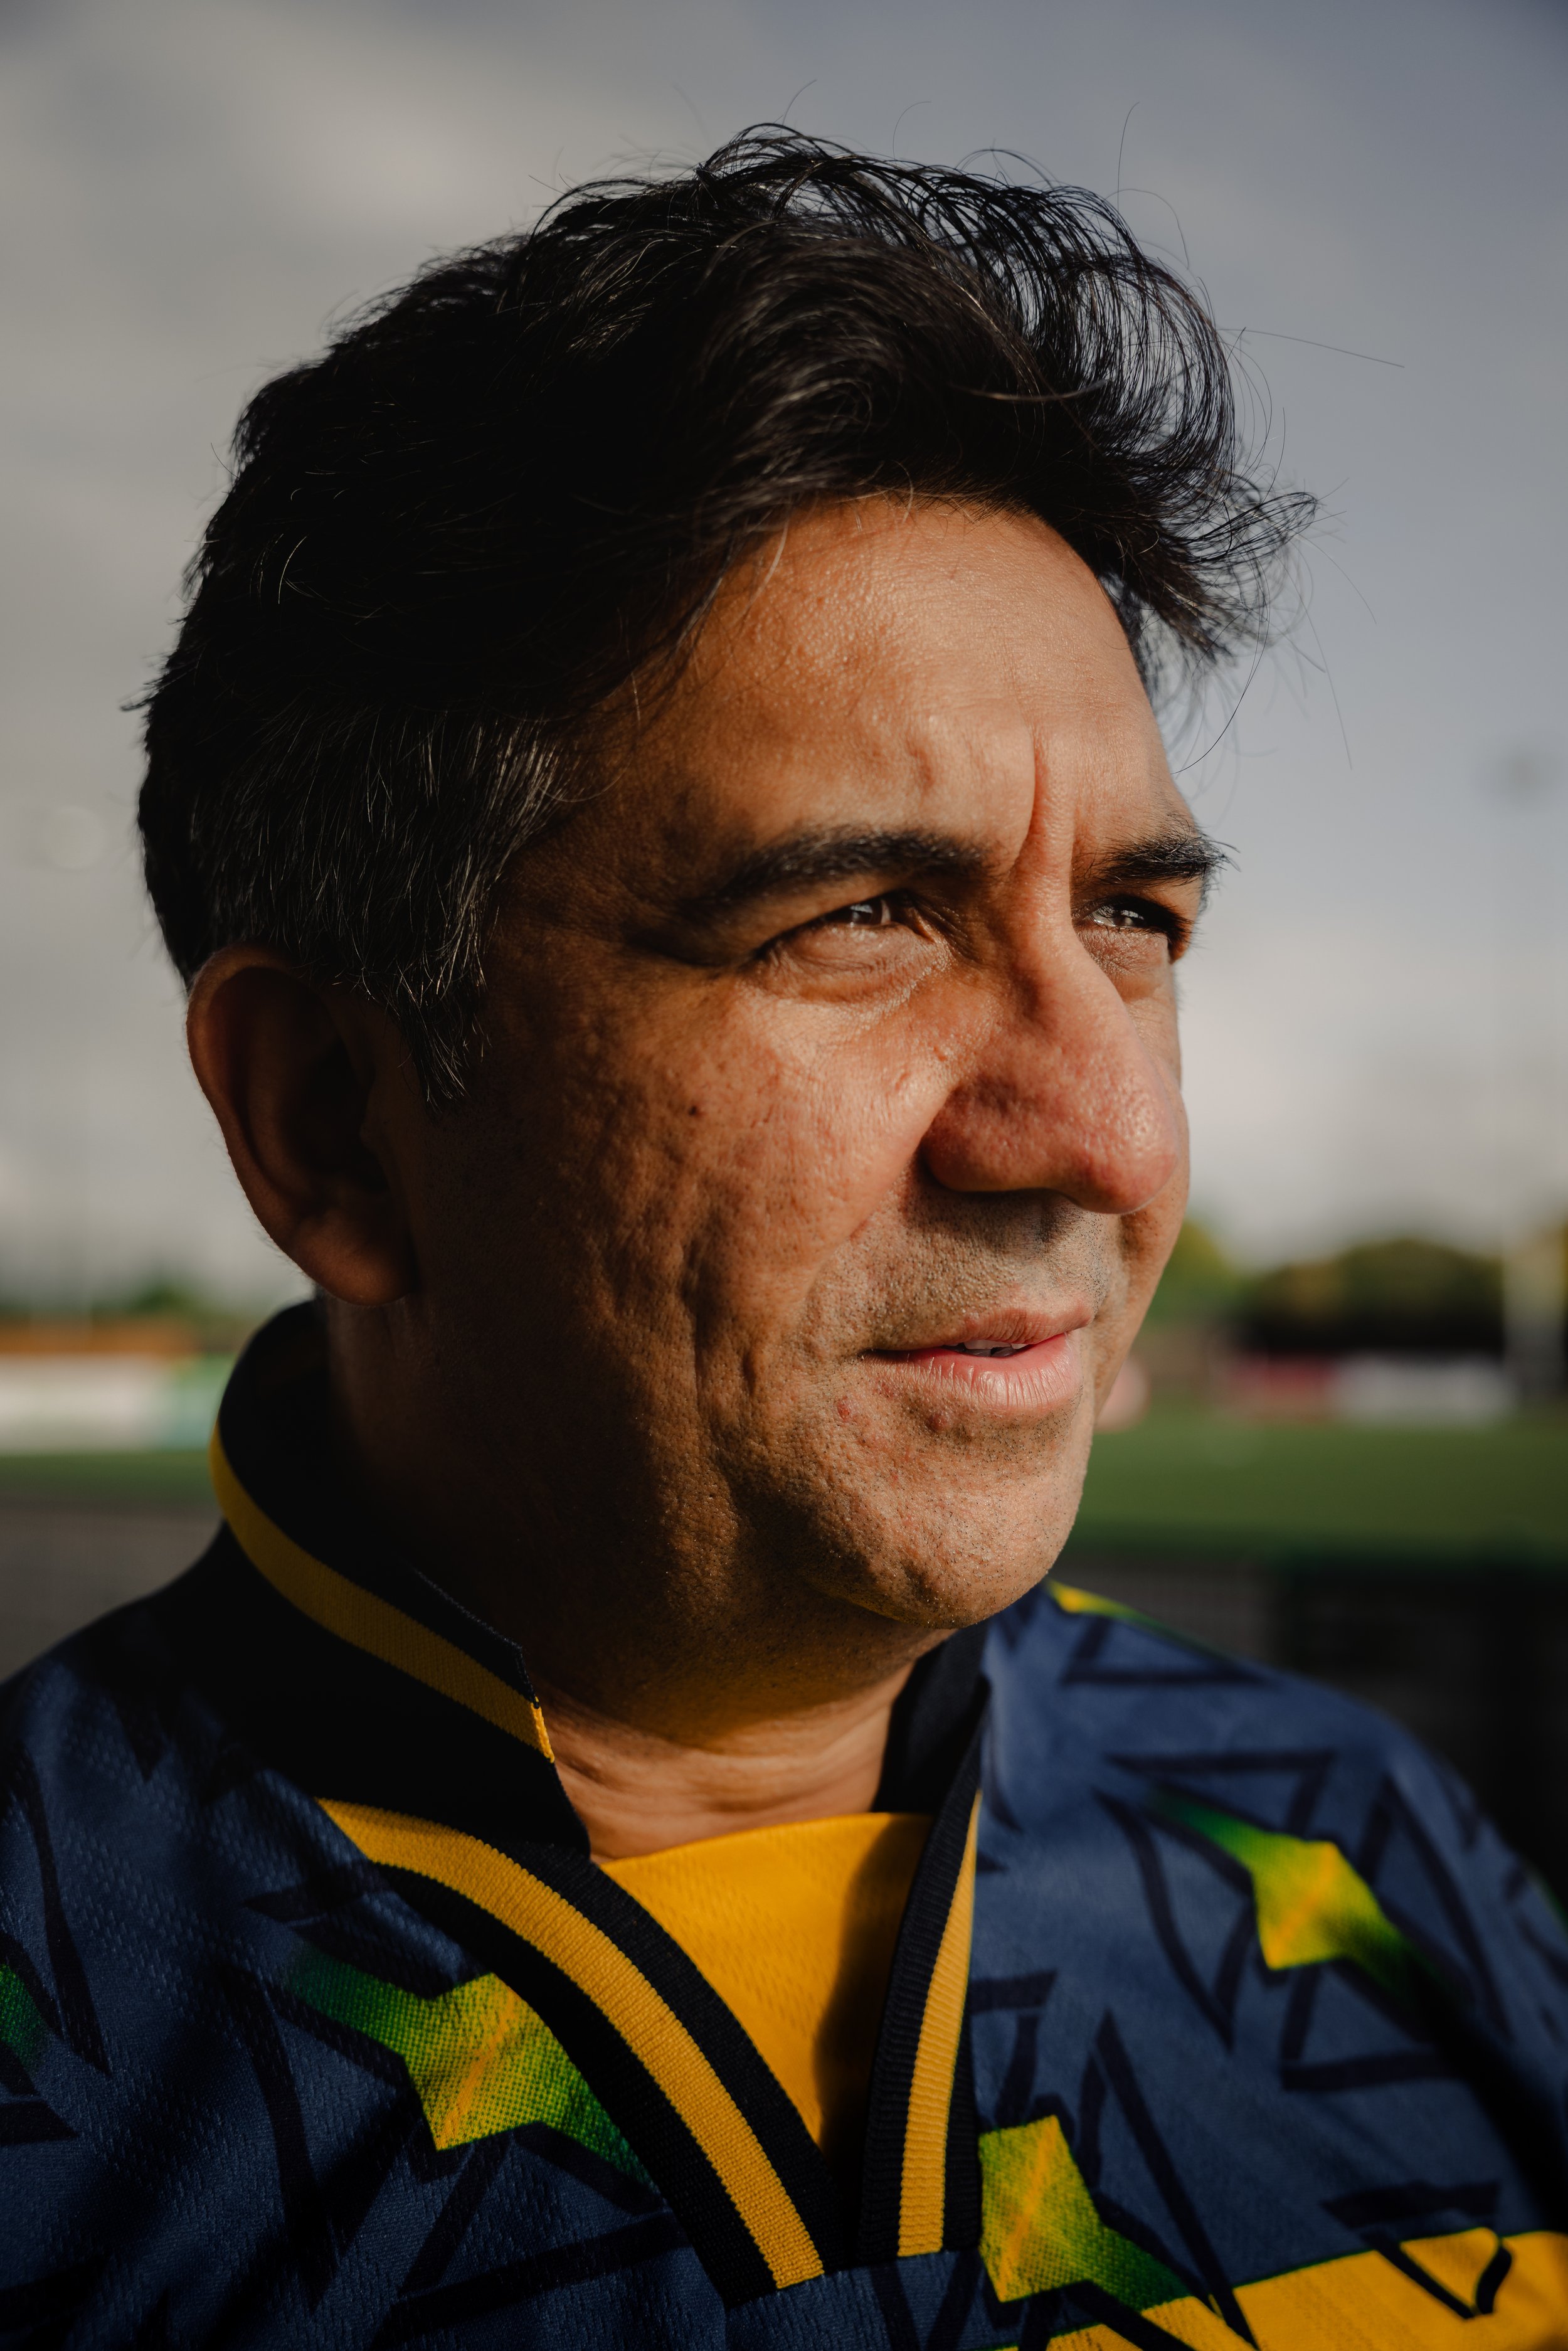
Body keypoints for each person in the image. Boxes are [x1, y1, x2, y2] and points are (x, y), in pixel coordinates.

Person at [2, 130, 1564, 2347]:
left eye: (1131, 918)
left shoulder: (1351, 1842)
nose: (1103, 1133)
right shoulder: (54, 2073)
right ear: (331, 1121)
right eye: (860, 919)